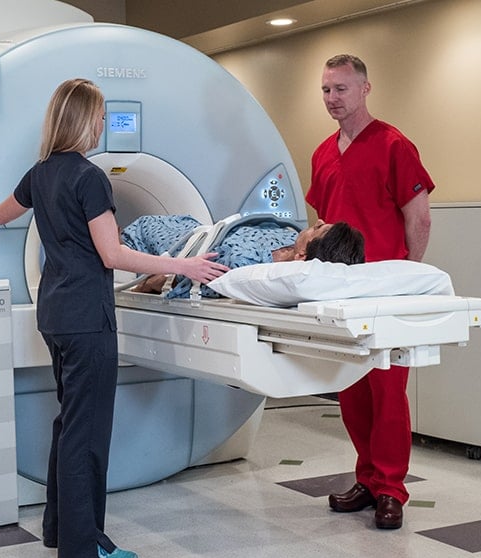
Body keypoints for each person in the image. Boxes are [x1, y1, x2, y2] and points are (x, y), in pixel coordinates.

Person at [0, 78, 228, 558]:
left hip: (56, 317)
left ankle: (60, 529)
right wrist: (182, 265)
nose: (104, 124)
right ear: (85, 119)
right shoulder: (89, 177)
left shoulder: (39, 173)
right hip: (87, 318)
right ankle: (85, 549)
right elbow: (113, 253)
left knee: (69, 423)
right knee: (87, 432)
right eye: (100, 116)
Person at [306, 54, 434, 530]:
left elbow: (418, 216)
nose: (332, 98)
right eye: (325, 90)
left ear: (365, 89)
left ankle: (392, 490)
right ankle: (367, 477)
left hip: (384, 290)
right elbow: (318, 224)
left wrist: (407, 278)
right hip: (340, 290)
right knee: (351, 390)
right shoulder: (322, 153)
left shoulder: (394, 145)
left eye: (341, 89)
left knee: (387, 391)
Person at [120, 215, 364, 296]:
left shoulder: (246, 268)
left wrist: (148, 285)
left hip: (172, 243)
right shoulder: (288, 237)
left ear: (302, 256)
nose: (318, 220)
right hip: (196, 228)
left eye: (319, 229)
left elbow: (183, 283)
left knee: (135, 230)